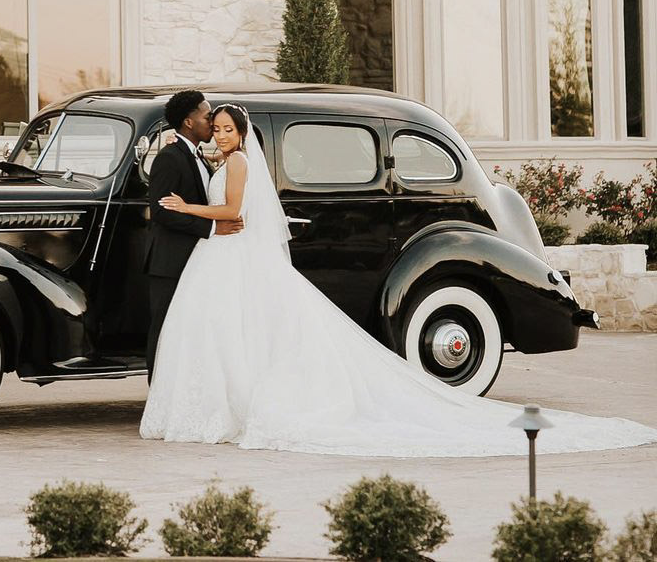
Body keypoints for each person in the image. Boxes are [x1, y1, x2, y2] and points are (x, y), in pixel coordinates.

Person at [140, 102, 657, 457]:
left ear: (240, 133)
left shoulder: (236, 166)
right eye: (219, 128)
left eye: (229, 129)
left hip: (228, 252)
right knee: (235, 332)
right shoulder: (227, 159)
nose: (221, 134)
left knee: (241, 330)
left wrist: (189, 206)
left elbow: (233, 210)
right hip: (224, 254)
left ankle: (233, 405)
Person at [143, 90, 243, 381]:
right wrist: (212, 228)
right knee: (164, 330)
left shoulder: (200, 156)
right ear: (189, 122)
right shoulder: (169, 158)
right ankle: (158, 397)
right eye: (207, 115)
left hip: (198, 261)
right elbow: (162, 212)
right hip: (170, 262)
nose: (211, 121)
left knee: (191, 335)